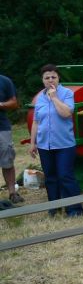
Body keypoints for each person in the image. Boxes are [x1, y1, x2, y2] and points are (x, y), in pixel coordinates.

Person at [28, 65, 83, 216]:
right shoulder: (40, 98)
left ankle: (74, 209)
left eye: (53, 77)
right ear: (43, 80)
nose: (50, 80)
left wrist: (54, 98)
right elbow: (36, 122)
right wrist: (33, 143)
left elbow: (66, 113)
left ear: (59, 78)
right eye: (47, 78)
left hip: (64, 144)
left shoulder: (66, 94)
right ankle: (55, 207)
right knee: (51, 178)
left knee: (65, 175)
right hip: (45, 145)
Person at [0, 72, 23, 204]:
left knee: (7, 158)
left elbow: (14, 103)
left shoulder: (4, 81)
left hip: (2, 127)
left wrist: (1, 105)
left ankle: (13, 193)